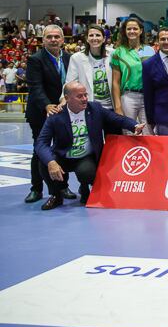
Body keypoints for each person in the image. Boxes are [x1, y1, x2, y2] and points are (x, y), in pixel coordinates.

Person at [34, 81, 144, 210]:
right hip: (63, 155)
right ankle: (56, 195)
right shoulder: (56, 115)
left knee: (87, 173)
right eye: (79, 96)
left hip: (85, 157)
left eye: (85, 95)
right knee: (44, 162)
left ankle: (84, 187)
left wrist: (134, 125)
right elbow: (41, 142)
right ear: (67, 98)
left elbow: (116, 118)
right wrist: (51, 162)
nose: (85, 99)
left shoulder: (95, 109)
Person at [23, 24, 75, 203]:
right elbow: (35, 87)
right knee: (40, 150)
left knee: (63, 150)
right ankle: (36, 189)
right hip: (40, 112)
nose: (53, 40)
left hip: (64, 111)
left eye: (56, 37)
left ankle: (63, 187)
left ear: (62, 39)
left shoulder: (70, 59)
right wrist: (47, 106)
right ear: (43, 40)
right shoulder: (35, 59)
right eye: (49, 37)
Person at [110, 17, 155, 134]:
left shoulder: (150, 50)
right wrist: (118, 107)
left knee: (148, 132)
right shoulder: (118, 52)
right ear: (125, 31)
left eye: (135, 28)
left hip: (147, 97)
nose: (132, 31)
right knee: (129, 133)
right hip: (128, 97)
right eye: (129, 29)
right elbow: (115, 82)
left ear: (141, 31)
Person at [64, 24, 113, 110]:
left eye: (98, 35)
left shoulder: (113, 54)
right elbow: (70, 83)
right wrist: (63, 100)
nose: (94, 38)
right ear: (87, 39)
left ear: (104, 39)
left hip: (111, 106)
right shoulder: (76, 58)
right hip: (90, 106)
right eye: (91, 35)